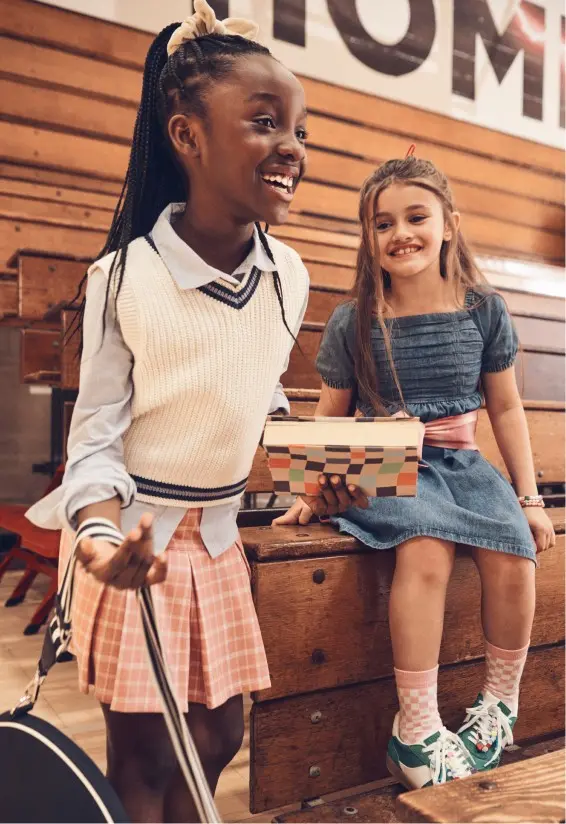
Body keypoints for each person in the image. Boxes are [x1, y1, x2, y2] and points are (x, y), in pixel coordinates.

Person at [26, 2, 362, 820]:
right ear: (186, 137)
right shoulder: (124, 280)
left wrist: (321, 475)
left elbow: (261, 394)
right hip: (132, 542)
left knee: (217, 737)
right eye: (264, 123)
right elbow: (96, 442)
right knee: (144, 753)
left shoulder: (291, 273)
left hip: (213, 545)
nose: (293, 148)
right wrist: (103, 543)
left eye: (300, 130)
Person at [274, 155, 556, 789]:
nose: (400, 232)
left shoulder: (483, 309)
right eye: (382, 223)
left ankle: (498, 705)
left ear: (449, 225)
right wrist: (312, 490)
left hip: (464, 464)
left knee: (513, 550)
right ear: (368, 239)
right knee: (425, 549)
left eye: (416, 216)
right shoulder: (356, 319)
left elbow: (505, 407)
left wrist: (530, 496)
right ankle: (418, 726)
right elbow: (331, 413)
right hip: (388, 467)